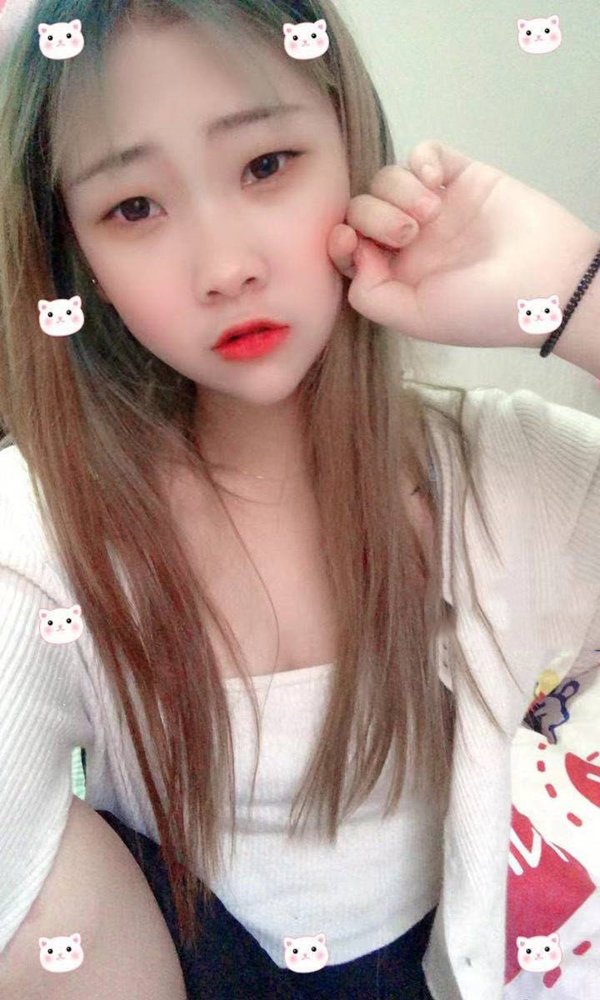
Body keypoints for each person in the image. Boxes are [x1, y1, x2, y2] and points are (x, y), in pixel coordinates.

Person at [0, 1, 599, 999]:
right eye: (134, 208)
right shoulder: (42, 537)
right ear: (80, 262)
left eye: (266, 164)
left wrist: (574, 290)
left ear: (353, 152)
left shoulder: (497, 478)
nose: (225, 267)